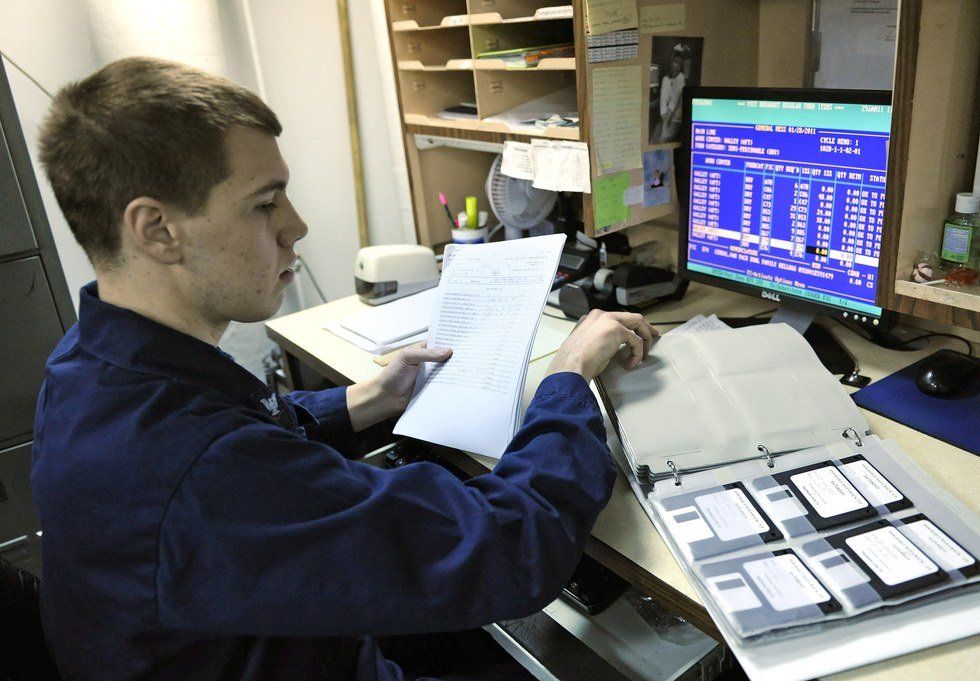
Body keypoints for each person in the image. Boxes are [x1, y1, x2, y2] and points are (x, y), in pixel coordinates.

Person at [30, 57, 657, 680]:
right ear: (157, 230)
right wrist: (568, 377)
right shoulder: (198, 466)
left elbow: (238, 435)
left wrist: (366, 398)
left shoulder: (86, 362)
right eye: (265, 203)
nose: (296, 226)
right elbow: (507, 552)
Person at [658, 53, 686, 143]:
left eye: (679, 63)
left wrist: (665, 125)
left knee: (667, 137)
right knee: (661, 138)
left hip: (677, 115)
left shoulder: (681, 77)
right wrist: (664, 118)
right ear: (671, 63)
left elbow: (674, 101)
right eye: (675, 62)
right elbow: (663, 100)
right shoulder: (665, 79)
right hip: (666, 115)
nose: (677, 65)